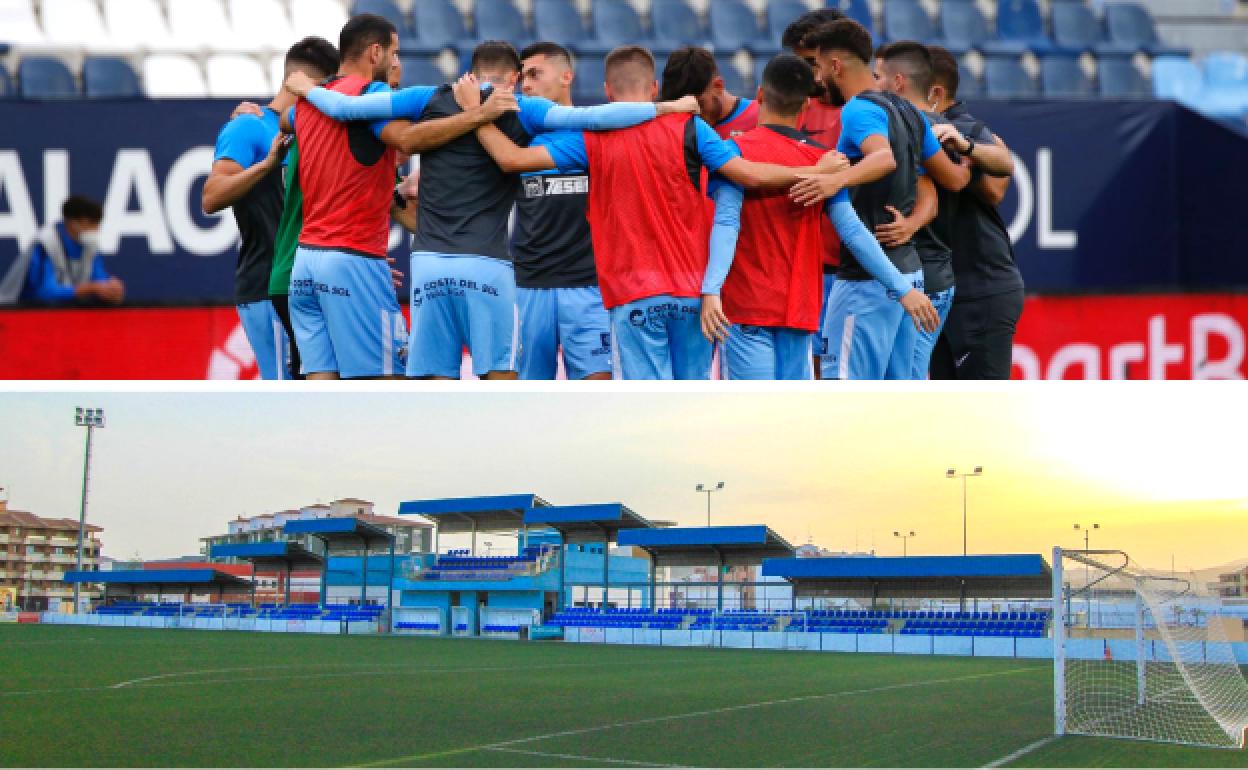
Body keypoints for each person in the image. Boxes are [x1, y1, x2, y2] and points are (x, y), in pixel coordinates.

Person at [286, 40, 699, 380]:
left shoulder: (429, 97)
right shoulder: (523, 108)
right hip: (487, 266)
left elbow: (345, 110)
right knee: (501, 387)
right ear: (514, 78)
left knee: (432, 386)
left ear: (471, 70)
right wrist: (665, 108)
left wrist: (307, 89)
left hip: (428, 265)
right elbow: (593, 116)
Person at [467, 45, 847, 380]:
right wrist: (816, 171)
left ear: (606, 91)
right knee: (691, 407)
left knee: (645, 411)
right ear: (653, 90)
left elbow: (510, 159)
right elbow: (748, 175)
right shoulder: (693, 129)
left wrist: (474, 114)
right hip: (692, 295)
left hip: (634, 295)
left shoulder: (592, 137)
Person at [701, 54, 939, 380]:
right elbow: (853, 232)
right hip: (799, 313)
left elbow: (727, 224)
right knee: (793, 420)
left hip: (746, 309)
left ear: (759, 95)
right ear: (804, 109)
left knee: (751, 420)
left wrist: (711, 290)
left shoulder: (736, 154)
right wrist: (903, 289)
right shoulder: (824, 162)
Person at [790, 20, 970, 380]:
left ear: (836, 66)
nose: (820, 78)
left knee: (848, 398)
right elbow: (952, 179)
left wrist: (833, 181)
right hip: (909, 273)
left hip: (867, 282)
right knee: (895, 401)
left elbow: (883, 157)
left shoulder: (857, 110)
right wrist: (967, 156)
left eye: (821, 67)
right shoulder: (910, 112)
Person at [203, 37, 339, 380]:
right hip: (266, 285)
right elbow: (211, 196)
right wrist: (266, 165)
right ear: (307, 84)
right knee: (284, 394)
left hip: (307, 284)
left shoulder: (314, 130)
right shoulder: (248, 125)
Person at [511, 42, 611, 380]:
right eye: (522, 78)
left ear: (567, 76)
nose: (525, 85)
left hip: (589, 286)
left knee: (597, 396)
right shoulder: (514, 140)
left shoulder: (598, 134)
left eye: (535, 74)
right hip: (528, 286)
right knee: (527, 401)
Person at [924, 46, 1025, 381]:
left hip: (978, 289)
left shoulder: (966, 129)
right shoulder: (908, 127)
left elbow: (996, 189)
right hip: (942, 292)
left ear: (935, 92)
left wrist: (962, 152)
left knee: (982, 409)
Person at [781, 7, 848, 374]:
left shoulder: (870, 110)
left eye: (811, 62)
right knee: (815, 374)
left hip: (860, 272)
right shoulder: (793, 109)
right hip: (808, 271)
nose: (806, 74)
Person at [0, 195, 124, 307]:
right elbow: (45, 293)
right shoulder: (46, 244)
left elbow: (99, 279)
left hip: (68, 315)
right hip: (28, 315)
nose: (95, 229)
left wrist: (111, 289)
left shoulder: (90, 246)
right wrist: (91, 288)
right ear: (73, 223)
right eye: (90, 224)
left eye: (97, 224)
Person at [660, 46, 759, 139]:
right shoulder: (671, 129)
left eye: (699, 105)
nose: (691, 116)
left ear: (718, 86)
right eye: (681, 108)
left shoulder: (760, 117)